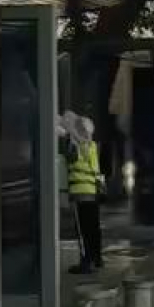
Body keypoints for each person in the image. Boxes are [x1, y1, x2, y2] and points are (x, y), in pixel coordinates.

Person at [64, 114, 104, 273]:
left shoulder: (73, 145)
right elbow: (96, 169)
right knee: (94, 227)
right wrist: (100, 188)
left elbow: (69, 160)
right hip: (92, 192)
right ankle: (97, 258)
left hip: (79, 193)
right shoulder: (92, 145)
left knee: (82, 230)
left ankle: (85, 262)